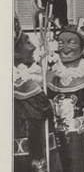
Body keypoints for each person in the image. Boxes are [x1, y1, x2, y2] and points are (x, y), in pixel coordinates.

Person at [47, 19, 84, 172]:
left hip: (81, 139)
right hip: (57, 138)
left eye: (71, 42)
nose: (65, 47)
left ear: (82, 49)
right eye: (61, 43)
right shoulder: (51, 78)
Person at [14, 16, 63, 172]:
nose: (33, 46)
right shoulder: (22, 80)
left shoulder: (29, 74)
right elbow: (43, 106)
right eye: (27, 42)